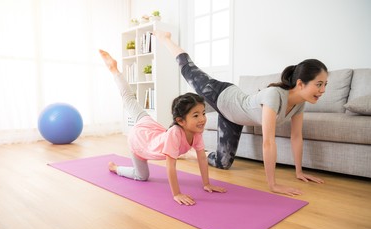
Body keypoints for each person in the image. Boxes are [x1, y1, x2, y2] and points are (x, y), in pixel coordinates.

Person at [154, 30, 328, 196]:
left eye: (325, 84)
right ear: (300, 83)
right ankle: (166, 39)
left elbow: (296, 136)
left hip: (233, 119)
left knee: (223, 164)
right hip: (222, 95)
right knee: (189, 70)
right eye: (319, 84)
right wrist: (273, 185)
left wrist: (299, 171)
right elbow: (268, 142)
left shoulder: (299, 104)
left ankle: (190, 153)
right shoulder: (274, 96)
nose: (322, 90)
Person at [99, 49, 226, 206]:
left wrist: (206, 183)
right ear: (181, 121)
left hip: (149, 126)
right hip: (139, 141)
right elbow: (171, 166)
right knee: (141, 176)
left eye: (203, 113)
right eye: (196, 115)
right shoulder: (175, 134)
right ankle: (116, 168)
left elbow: (201, 157)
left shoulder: (195, 131)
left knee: (130, 101)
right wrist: (177, 193)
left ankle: (114, 70)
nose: (202, 119)